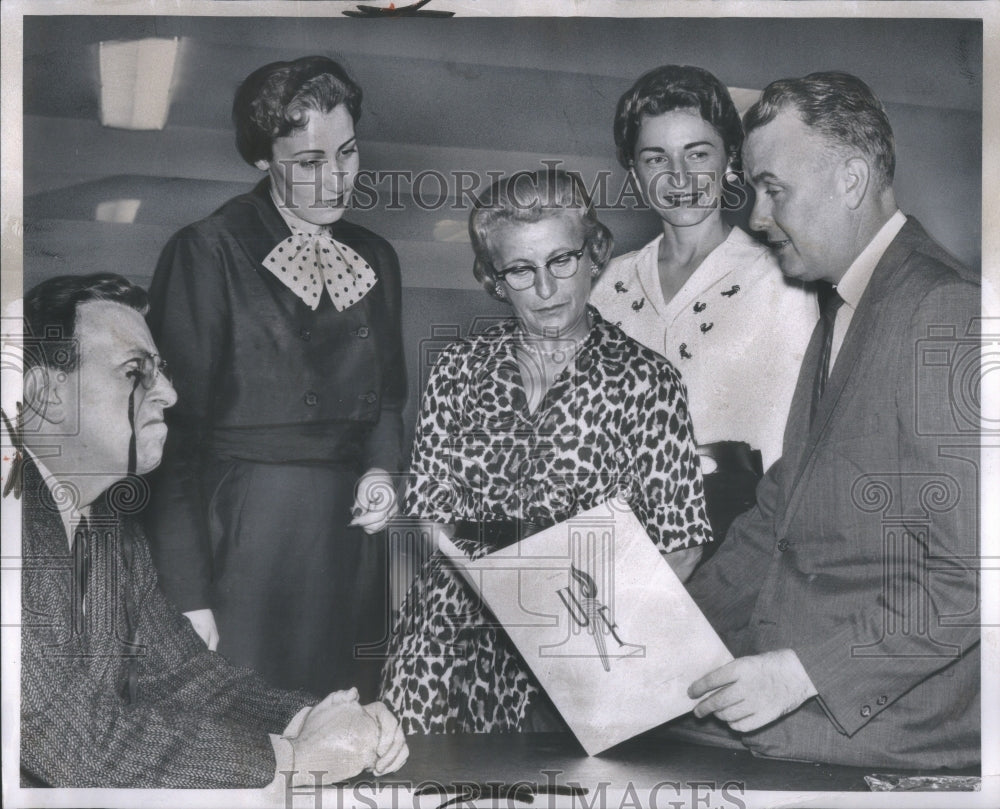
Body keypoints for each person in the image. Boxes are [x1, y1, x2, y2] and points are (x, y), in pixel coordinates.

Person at [676, 72, 980, 768]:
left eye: (773, 188)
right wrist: (658, 636)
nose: (754, 215)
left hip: (882, 731)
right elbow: (778, 518)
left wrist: (802, 671)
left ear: (851, 179)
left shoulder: (947, 312)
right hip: (806, 710)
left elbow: (974, 572)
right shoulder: (842, 307)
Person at [7, 273, 407, 787]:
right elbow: (70, 739)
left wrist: (317, 719)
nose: (169, 394)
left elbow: (181, 677)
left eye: (163, 372)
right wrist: (291, 759)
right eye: (136, 372)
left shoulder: (106, 521)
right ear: (43, 393)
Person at [380, 169, 712, 734]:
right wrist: (495, 587)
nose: (547, 288)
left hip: (578, 655)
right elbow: (429, 511)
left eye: (561, 260)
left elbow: (681, 546)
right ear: (494, 279)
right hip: (448, 641)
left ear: (594, 255)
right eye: (520, 270)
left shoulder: (647, 382)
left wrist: (584, 624)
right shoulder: (458, 370)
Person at [144, 56, 406, 699]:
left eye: (347, 154)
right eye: (310, 164)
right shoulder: (207, 249)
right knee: (253, 739)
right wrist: (186, 593)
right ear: (264, 160)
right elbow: (172, 439)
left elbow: (389, 401)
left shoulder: (376, 255)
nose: (337, 180)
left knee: (343, 727)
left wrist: (380, 470)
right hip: (246, 535)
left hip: (349, 536)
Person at [590, 65, 817, 544]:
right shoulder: (607, 284)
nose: (679, 177)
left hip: (736, 540)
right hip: (619, 542)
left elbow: (792, 454)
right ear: (633, 170)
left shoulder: (780, 279)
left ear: (730, 160)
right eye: (656, 158)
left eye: (697, 154)